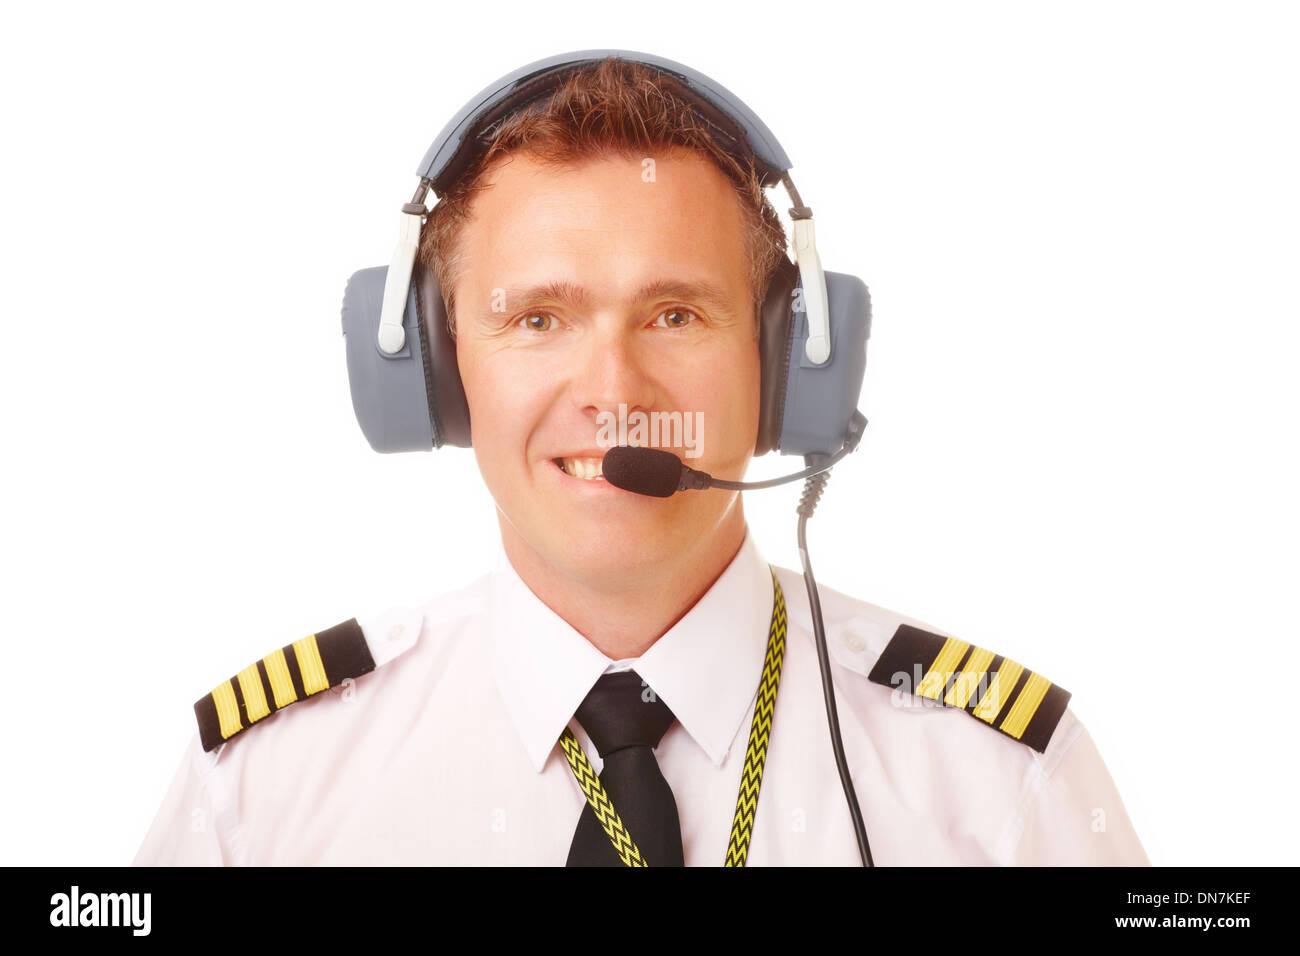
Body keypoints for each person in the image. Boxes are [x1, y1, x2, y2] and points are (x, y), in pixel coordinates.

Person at [133, 52, 1148, 866]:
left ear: (792, 364)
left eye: (674, 313)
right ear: (434, 376)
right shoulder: (264, 787)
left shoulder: (996, 784)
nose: (613, 390)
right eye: (538, 317)